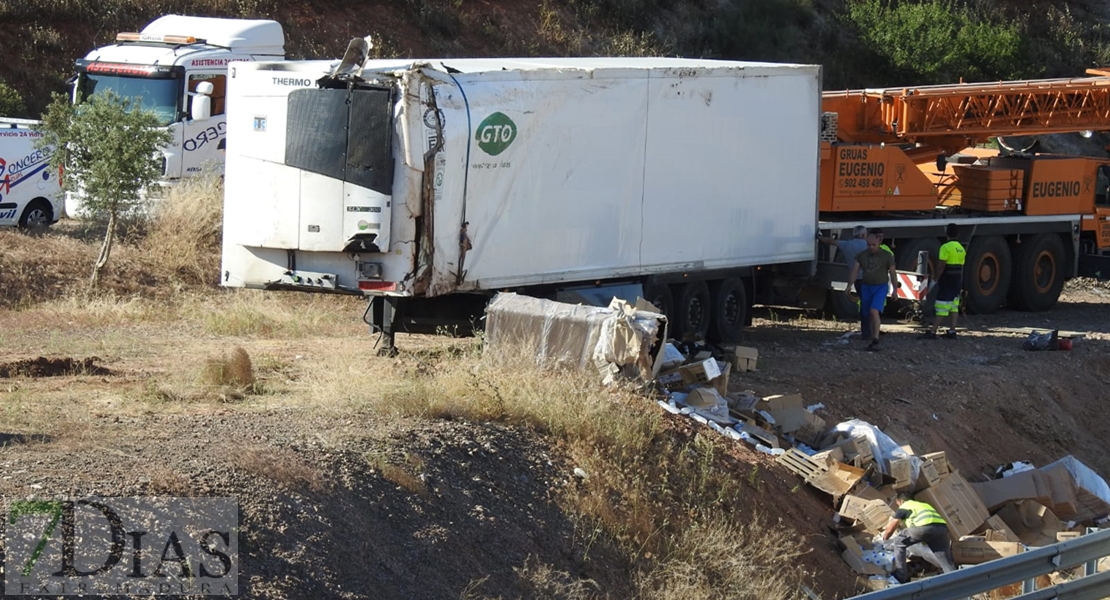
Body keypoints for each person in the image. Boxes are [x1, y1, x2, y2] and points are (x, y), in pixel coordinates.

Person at [879, 494, 956, 584]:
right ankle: (956, 581)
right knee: (945, 560)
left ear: (901, 501)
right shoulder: (924, 505)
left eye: (898, 504)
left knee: (898, 542)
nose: (898, 506)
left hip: (922, 527)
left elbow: (892, 526)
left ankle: (901, 576)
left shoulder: (905, 506)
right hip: (941, 529)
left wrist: (884, 539)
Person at [846, 233, 898, 351]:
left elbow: (893, 273)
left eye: (874, 245)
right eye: (869, 245)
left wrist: (895, 289)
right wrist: (849, 285)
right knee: (866, 313)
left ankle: (876, 338)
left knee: (874, 310)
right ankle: (870, 333)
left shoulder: (887, 255)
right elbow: (855, 270)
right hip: (866, 286)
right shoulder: (862, 255)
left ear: (879, 242)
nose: (871, 247)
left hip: (881, 287)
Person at [818, 225, 869, 337]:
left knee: (865, 305)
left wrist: (819, 237)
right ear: (863, 235)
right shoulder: (868, 245)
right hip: (871, 279)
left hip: (858, 280)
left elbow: (831, 241)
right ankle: (871, 330)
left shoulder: (847, 245)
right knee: (872, 305)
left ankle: (866, 330)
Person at [920, 223, 966, 340]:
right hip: (957, 279)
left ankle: (933, 331)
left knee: (942, 305)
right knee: (953, 306)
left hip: (947, 279)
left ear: (946, 233)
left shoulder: (945, 247)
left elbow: (941, 265)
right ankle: (952, 331)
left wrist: (936, 278)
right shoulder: (961, 248)